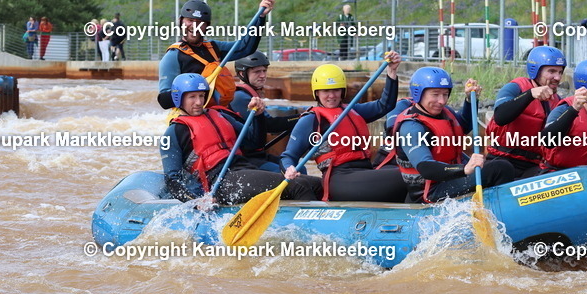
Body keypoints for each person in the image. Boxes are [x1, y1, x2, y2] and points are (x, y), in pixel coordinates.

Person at [160, 74, 322, 205]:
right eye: (192, 97)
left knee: (317, 184)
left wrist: (258, 117)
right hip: (223, 183)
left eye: (202, 96)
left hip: (243, 169)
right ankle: (314, 231)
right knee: (298, 186)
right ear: (178, 99)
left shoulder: (219, 115)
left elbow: (255, 143)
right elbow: (172, 179)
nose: (199, 102)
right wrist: (195, 202)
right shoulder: (174, 132)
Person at [281, 54, 407, 202]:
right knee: (408, 175)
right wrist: (289, 168)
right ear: (317, 92)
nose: (331, 96)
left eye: (336, 90)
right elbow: (288, 156)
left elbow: (384, 105)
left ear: (342, 91)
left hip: (364, 172)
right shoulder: (311, 120)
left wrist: (391, 73)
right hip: (340, 180)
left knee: (410, 168)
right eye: (325, 91)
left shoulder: (352, 110)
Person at [393, 67, 517, 204]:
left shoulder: (445, 112)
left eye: (445, 94)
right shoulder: (411, 127)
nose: (442, 101)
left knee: (495, 165)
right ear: (418, 94)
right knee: (499, 169)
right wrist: (463, 169)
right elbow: (425, 167)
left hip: (449, 179)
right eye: (435, 94)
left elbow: (463, 126)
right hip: (430, 191)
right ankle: (504, 209)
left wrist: (470, 100)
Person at [157, 0, 274, 109]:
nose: (194, 26)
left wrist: (261, 17)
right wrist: (192, 89)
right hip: (190, 116)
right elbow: (164, 100)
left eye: (199, 22)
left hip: (215, 112)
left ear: (207, 26)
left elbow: (246, 47)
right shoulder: (173, 56)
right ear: (180, 21)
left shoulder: (213, 47)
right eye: (190, 20)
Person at [486, 45, 566, 180]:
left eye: (560, 72)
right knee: (504, 168)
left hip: (531, 166)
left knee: (551, 176)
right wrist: (530, 94)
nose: (557, 77)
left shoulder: (557, 102)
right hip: (500, 161)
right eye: (552, 71)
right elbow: (500, 117)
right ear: (536, 70)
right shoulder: (514, 88)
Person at [230, 51, 301, 172]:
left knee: (300, 168)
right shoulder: (240, 97)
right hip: (246, 158)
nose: (263, 75)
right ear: (242, 73)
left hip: (258, 154)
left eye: (264, 71)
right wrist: (301, 118)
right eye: (257, 72)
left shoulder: (251, 94)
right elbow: (270, 124)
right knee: (291, 172)